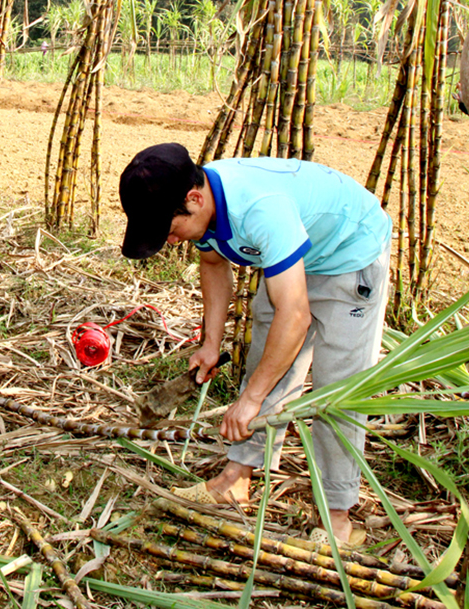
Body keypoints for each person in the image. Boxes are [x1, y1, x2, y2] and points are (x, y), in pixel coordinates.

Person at [119, 143, 392, 547]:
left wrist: (251, 398)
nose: (172, 240)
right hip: (293, 260)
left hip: (348, 257)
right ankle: (236, 479)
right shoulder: (202, 197)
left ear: (194, 200)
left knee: (338, 388)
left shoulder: (260, 210)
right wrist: (211, 343)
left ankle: (337, 516)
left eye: (171, 229)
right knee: (266, 360)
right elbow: (213, 263)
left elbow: (295, 315)